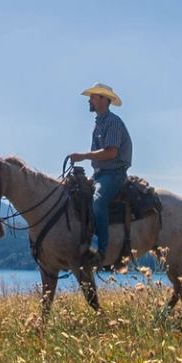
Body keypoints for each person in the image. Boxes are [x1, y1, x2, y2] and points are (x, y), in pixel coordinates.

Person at [67, 84, 131, 267]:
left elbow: (111, 153)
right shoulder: (99, 123)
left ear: (104, 99)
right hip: (100, 174)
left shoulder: (113, 122)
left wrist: (83, 156)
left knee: (98, 201)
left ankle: (100, 251)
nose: (89, 100)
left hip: (114, 174)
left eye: (93, 97)